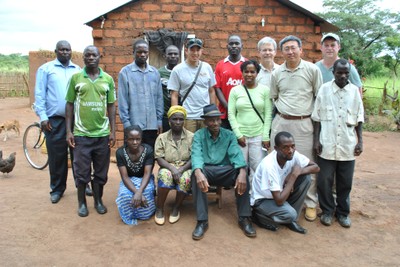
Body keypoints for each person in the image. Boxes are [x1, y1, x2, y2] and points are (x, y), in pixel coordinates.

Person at [270, 35, 323, 222]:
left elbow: (319, 98)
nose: (290, 52)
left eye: (293, 48)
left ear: (301, 50)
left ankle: (309, 203)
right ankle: (275, 198)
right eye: (286, 49)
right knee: (276, 161)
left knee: (306, 162)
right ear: (281, 52)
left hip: (304, 123)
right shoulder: (277, 73)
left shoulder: (312, 70)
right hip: (281, 121)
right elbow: (274, 97)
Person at [191, 104, 256, 240]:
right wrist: (198, 172)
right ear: (205, 122)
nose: (215, 123)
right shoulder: (198, 135)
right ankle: (202, 221)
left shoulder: (229, 135)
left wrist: (242, 172)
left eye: (217, 119)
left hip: (225, 171)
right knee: (195, 174)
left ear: (221, 120)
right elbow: (196, 155)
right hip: (207, 171)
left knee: (242, 173)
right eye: (211, 120)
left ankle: (244, 218)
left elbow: (236, 154)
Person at [312, 59, 364, 228]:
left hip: (347, 144)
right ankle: (327, 211)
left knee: (345, 182)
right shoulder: (324, 90)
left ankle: (343, 213)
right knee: (324, 180)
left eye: (346, 73)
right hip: (327, 143)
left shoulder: (354, 92)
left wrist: (360, 142)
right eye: (339, 72)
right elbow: (317, 118)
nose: (343, 76)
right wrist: (316, 141)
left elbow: (359, 118)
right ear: (333, 71)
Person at [65, 45, 116, 217]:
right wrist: (68, 131)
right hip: (81, 135)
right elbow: (69, 104)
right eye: (87, 55)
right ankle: (82, 203)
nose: (90, 58)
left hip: (102, 135)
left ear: (99, 57)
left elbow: (111, 106)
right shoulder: (76, 78)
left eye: (94, 55)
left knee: (101, 172)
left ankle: (98, 201)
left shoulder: (107, 79)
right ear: (83, 58)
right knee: (81, 172)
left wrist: (113, 131)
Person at [34, 40, 81, 204]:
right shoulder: (46, 69)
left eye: (67, 50)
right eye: (62, 50)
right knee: (57, 157)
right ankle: (57, 189)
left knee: (79, 155)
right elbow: (39, 95)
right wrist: (43, 117)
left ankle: (81, 185)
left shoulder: (78, 70)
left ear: (71, 51)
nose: (65, 52)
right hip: (54, 121)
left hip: (76, 120)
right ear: (56, 51)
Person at [251, 131, 319, 234]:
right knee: (290, 214)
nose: (290, 150)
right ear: (276, 148)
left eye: (293, 146)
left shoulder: (293, 154)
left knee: (306, 178)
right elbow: (279, 200)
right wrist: (293, 176)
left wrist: (298, 172)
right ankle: (258, 215)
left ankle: (290, 220)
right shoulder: (269, 165)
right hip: (263, 200)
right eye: (285, 147)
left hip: (280, 192)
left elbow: (316, 167)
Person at [228, 59, 272, 190]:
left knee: (257, 168)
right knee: (241, 167)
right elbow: (231, 114)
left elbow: (268, 114)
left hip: (258, 135)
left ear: (257, 73)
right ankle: (241, 196)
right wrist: (238, 134)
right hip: (241, 136)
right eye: (246, 71)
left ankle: (254, 197)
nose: (249, 74)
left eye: (252, 72)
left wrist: (265, 136)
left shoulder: (265, 90)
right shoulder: (235, 91)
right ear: (241, 73)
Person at [118, 39, 163, 148]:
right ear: (133, 52)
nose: (142, 55)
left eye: (145, 52)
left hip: (152, 126)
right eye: (139, 52)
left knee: (149, 158)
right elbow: (123, 100)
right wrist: (127, 124)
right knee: (133, 159)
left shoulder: (154, 73)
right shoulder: (125, 72)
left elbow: (159, 99)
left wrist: (159, 120)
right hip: (133, 126)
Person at [154, 105, 194, 225]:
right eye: (174, 119)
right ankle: (160, 208)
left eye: (181, 119)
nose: (178, 122)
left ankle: (176, 207)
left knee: (186, 179)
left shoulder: (191, 137)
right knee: (165, 176)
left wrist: (181, 169)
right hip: (168, 166)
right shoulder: (162, 137)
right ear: (169, 121)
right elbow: (159, 158)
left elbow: (194, 158)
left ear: (184, 121)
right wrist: (172, 169)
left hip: (185, 166)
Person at [169, 38, 216, 133]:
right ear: (186, 51)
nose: (195, 53)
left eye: (198, 50)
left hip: (204, 116)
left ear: (201, 51)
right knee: (188, 145)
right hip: (188, 117)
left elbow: (211, 91)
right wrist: (175, 115)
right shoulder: (178, 70)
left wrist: (212, 113)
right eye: (192, 50)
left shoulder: (207, 67)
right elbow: (174, 94)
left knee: (205, 144)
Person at [115, 125, 156, 225]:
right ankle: (130, 215)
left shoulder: (148, 150)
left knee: (146, 193)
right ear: (126, 139)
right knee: (124, 195)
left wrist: (140, 191)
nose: (135, 142)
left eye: (138, 139)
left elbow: (147, 173)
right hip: (129, 179)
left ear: (141, 139)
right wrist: (136, 192)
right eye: (131, 139)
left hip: (144, 179)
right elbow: (124, 176)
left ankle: (144, 214)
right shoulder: (120, 152)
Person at [214, 35, 246, 129]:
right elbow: (217, 88)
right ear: (227, 46)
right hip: (225, 113)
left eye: (237, 43)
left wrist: (239, 107)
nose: (234, 46)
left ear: (242, 46)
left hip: (243, 112)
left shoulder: (247, 64)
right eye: (231, 44)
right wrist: (228, 107)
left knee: (241, 142)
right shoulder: (220, 65)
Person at [158, 45, 180, 132]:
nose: (173, 56)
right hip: (165, 115)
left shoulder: (182, 71)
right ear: (165, 56)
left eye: (175, 54)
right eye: (170, 54)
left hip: (180, 114)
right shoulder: (159, 73)